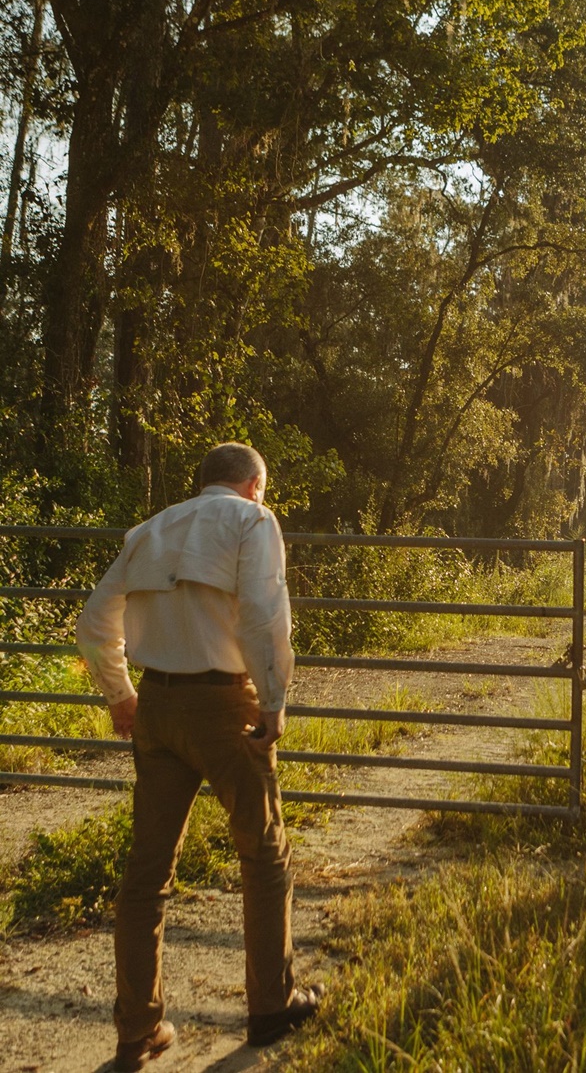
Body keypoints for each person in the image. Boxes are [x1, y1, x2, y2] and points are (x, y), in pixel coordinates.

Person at [76, 442, 323, 1073]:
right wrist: (272, 701)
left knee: (146, 873)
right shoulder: (252, 521)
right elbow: (265, 614)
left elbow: (95, 620)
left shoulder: (151, 529)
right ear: (252, 485)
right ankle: (271, 1002)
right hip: (223, 704)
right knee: (264, 855)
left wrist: (122, 693)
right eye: (262, 490)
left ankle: (137, 1030)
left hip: (156, 704)